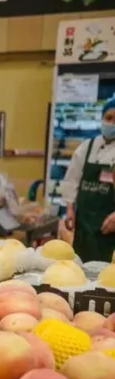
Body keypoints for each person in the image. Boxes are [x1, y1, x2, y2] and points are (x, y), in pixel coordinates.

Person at [60, 97, 115, 262]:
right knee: (80, 267)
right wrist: (69, 208)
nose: (111, 123)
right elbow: (72, 179)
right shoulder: (87, 147)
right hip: (84, 225)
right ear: (102, 119)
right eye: (109, 118)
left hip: (110, 228)